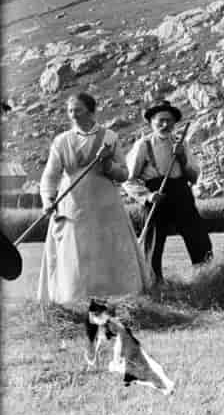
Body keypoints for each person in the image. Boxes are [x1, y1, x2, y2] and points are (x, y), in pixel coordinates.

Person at [37, 93, 153, 304]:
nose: (73, 115)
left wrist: (107, 164)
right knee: (76, 252)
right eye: (70, 111)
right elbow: (50, 176)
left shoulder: (109, 137)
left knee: (107, 249)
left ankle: (118, 297)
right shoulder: (62, 141)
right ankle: (74, 299)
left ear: (91, 111)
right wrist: (47, 200)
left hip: (105, 205)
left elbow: (124, 174)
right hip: (72, 205)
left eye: (78, 110)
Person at [124, 100, 213, 285]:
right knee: (153, 244)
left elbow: (194, 176)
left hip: (181, 194)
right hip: (156, 196)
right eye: (161, 120)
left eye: (170, 121)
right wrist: (147, 196)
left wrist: (181, 157)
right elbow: (128, 179)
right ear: (151, 122)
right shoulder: (143, 145)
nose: (165, 125)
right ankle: (153, 285)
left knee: (198, 237)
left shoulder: (182, 144)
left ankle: (206, 279)